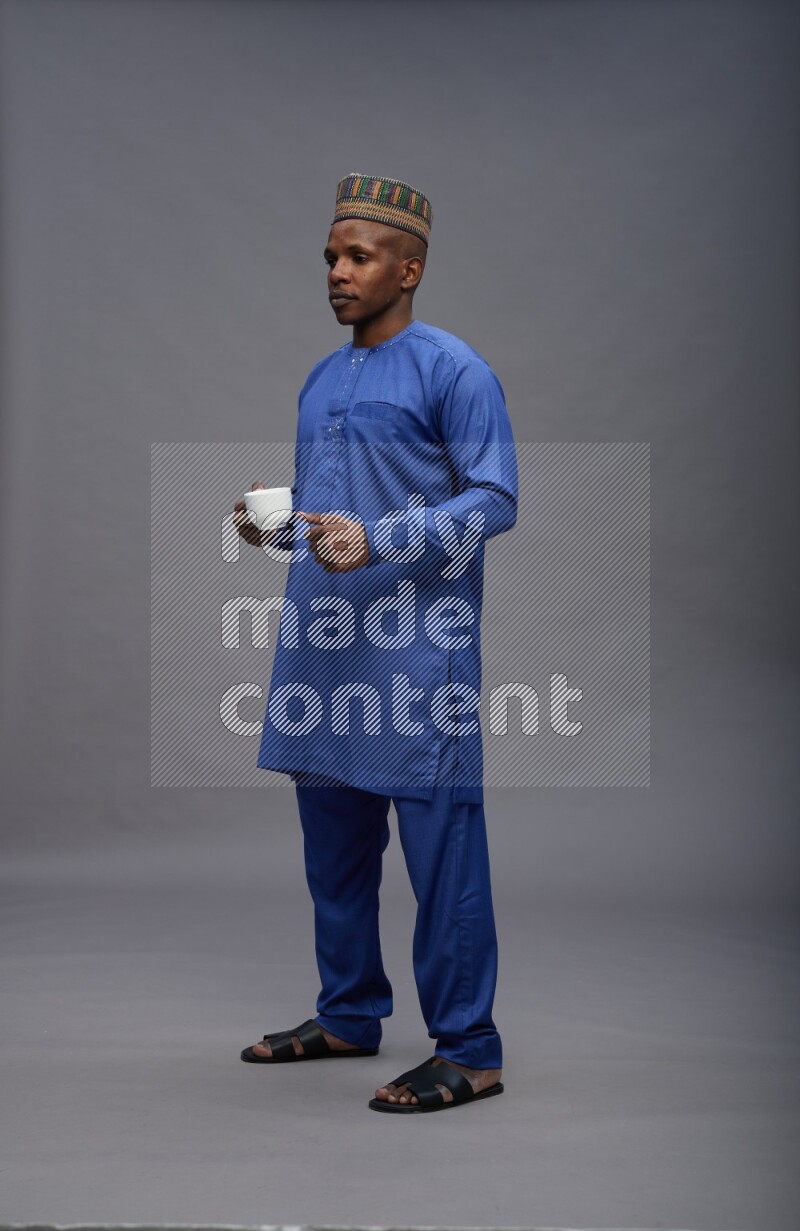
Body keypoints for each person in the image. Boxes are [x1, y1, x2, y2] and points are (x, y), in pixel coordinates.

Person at [233, 173, 518, 1113]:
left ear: (411, 267)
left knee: (441, 859)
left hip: (415, 655)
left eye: (358, 256)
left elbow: (495, 500)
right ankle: (350, 1011)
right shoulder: (324, 377)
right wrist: (277, 527)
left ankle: (470, 1048)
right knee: (336, 854)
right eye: (330, 256)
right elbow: (334, 507)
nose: (338, 272)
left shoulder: (454, 369)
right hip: (324, 648)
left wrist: (387, 536)